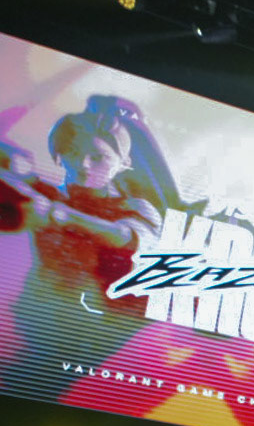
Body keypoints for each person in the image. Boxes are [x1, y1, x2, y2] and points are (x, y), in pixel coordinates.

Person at [0, 96, 163, 401]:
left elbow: (127, 237)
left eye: (98, 157)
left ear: (123, 164)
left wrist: (60, 216)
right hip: (33, 322)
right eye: (74, 153)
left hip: (94, 341)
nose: (84, 165)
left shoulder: (135, 207)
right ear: (59, 156)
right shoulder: (43, 192)